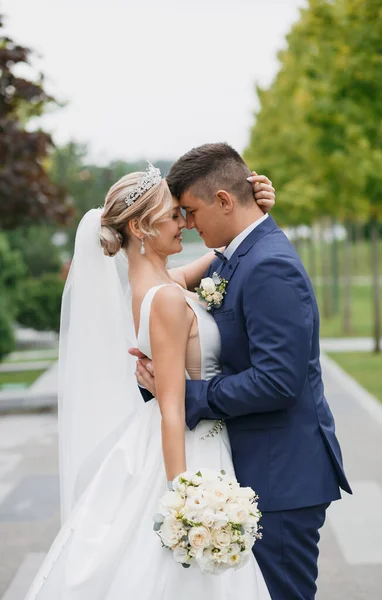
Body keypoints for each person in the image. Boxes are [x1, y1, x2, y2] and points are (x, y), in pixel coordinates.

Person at [22, 161, 275, 600]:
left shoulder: (155, 285)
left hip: (184, 442)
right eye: (174, 214)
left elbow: (221, 255)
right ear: (140, 227)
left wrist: (255, 214)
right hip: (191, 450)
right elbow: (172, 410)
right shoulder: (166, 299)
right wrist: (186, 503)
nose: (185, 223)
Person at [133, 143, 352, 600]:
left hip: (282, 478)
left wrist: (184, 396)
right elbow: (161, 288)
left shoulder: (268, 264)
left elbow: (278, 381)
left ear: (225, 201)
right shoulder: (235, 256)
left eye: (191, 211)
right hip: (254, 470)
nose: (188, 224)